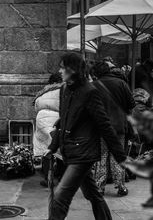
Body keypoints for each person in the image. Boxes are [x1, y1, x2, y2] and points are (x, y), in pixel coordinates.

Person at [48, 53, 127, 220]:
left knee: (60, 196)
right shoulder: (64, 89)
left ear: (73, 70)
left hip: (83, 153)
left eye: (63, 67)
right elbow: (64, 121)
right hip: (70, 149)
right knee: (93, 194)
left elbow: (104, 125)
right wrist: (53, 146)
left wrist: (120, 156)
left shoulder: (90, 92)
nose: (60, 70)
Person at [92, 61, 135, 196]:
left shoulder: (93, 86)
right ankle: (121, 186)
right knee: (118, 155)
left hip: (101, 128)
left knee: (101, 156)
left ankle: (99, 187)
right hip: (118, 126)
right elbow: (131, 104)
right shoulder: (121, 83)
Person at [33, 73, 63, 187]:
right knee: (59, 148)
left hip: (42, 120)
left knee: (46, 148)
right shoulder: (64, 90)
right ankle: (61, 177)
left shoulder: (43, 92)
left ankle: (48, 179)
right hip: (57, 119)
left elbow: (36, 107)